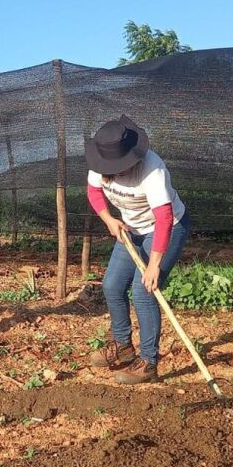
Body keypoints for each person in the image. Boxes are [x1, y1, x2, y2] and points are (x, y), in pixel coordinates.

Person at [85, 115, 190, 384]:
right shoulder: (100, 163)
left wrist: (154, 265)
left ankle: (148, 362)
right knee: (112, 286)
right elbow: (93, 192)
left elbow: (164, 218)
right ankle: (123, 347)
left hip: (166, 228)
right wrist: (109, 220)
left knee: (143, 291)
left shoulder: (152, 170)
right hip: (131, 229)